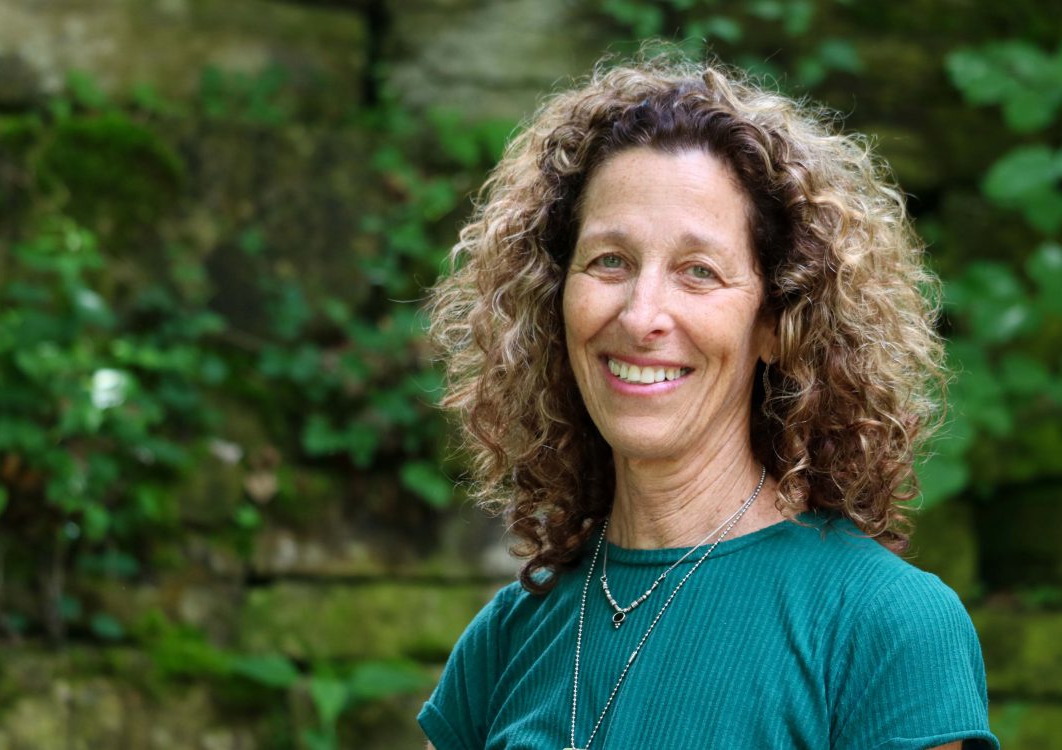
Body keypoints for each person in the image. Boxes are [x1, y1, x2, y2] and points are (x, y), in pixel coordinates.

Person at [418, 54, 997, 750]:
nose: (641, 316)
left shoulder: (882, 625)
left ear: (779, 323)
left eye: (699, 272)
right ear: (554, 299)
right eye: (610, 261)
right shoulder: (508, 637)